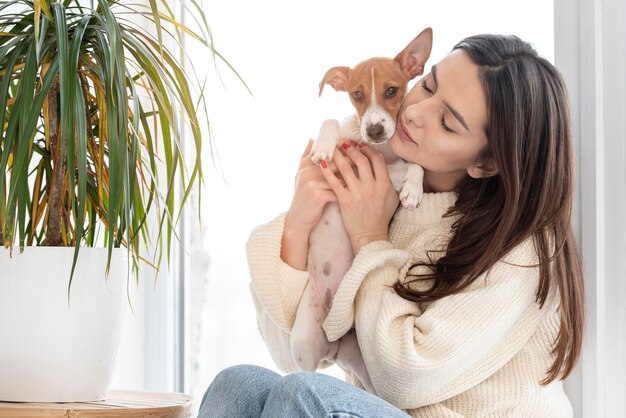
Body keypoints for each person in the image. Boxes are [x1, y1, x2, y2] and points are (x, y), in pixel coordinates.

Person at [198, 33, 585, 417]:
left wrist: (370, 238)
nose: (415, 112)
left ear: (485, 164)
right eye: (427, 85)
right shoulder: (386, 194)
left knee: (303, 395)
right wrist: (298, 227)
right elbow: (294, 355)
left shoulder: (522, 253)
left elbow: (400, 381)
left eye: (446, 121)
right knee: (237, 386)